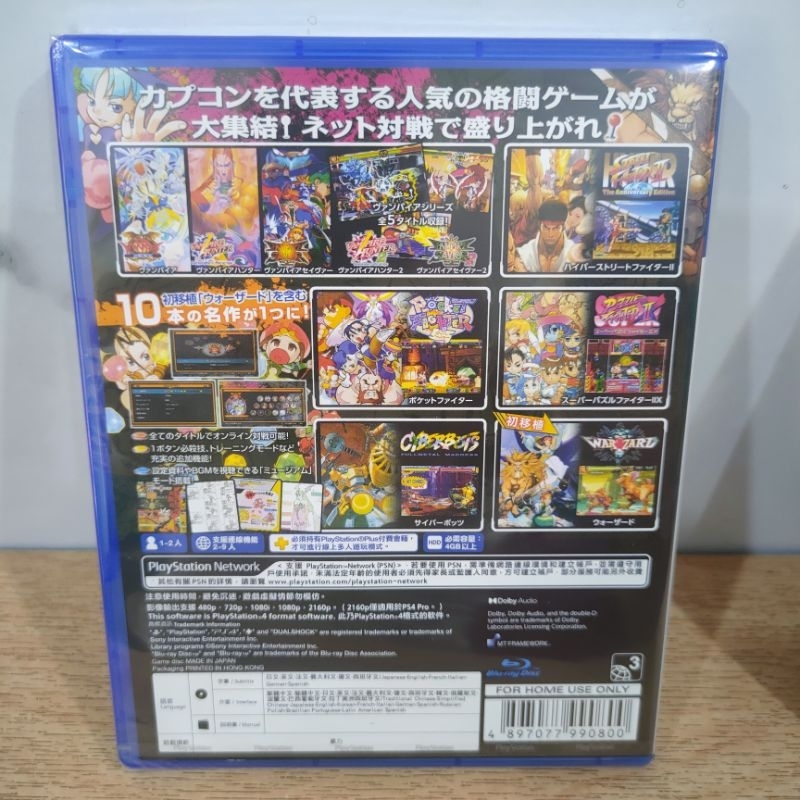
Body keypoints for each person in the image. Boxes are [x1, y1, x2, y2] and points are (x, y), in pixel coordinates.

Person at [512, 199, 570, 273]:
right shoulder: (524, 254)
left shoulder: (574, 252)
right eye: (545, 227)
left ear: (563, 227)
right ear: (539, 226)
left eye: (556, 228)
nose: (550, 234)